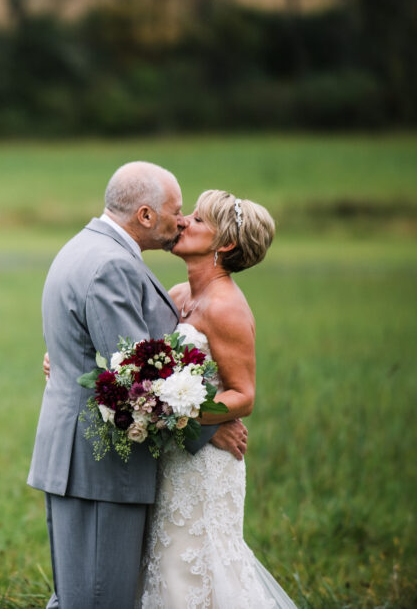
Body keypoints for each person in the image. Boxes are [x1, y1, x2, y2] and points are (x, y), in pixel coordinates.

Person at [27, 162, 248, 609]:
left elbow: (107, 354)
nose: (181, 220)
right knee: (97, 599)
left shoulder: (83, 246)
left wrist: (71, 363)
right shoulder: (113, 265)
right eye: (176, 211)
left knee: (79, 596)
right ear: (145, 216)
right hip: (98, 468)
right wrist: (207, 425)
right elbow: (135, 379)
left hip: (83, 463)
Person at [135, 189, 294, 608]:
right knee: (164, 565)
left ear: (224, 244)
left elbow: (243, 397)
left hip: (206, 469)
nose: (183, 220)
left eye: (199, 220)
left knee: (196, 567)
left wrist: (180, 416)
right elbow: (138, 362)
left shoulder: (227, 308)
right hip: (173, 459)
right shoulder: (179, 295)